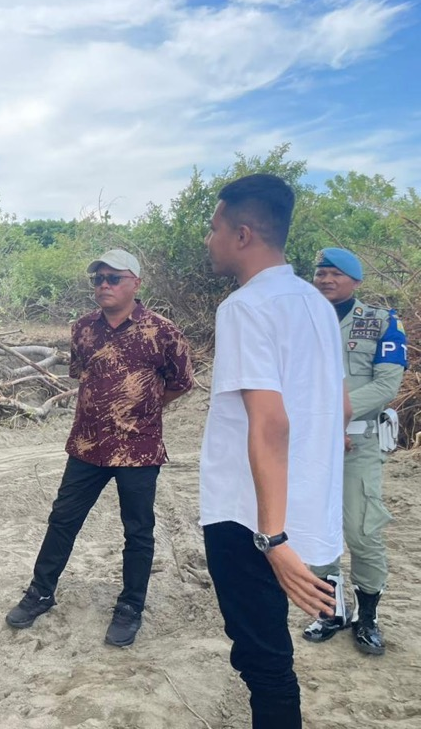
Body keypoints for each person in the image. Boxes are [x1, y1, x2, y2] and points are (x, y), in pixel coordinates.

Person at [200, 174, 348, 729]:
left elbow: (269, 423)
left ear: (242, 235)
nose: (208, 240)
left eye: (214, 228)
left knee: (264, 662)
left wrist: (273, 536)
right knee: (269, 655)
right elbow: (339, 407)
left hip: (249, 515)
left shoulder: (246, 307)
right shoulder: (314, 302)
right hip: (299, 504)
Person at [5, 249, 194, 647]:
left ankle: (130, 607)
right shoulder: (83, 329)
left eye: (113, 278)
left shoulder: (162, 331)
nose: (104, 285)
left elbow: (180, 382)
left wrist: (144, 407)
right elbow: (83, 374)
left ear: (136, 283)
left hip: (139, 449)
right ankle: (40, 592)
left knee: (138, 531)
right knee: (62, 520)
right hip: (88, 445)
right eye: (98, 279)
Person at [304, 247, 407, 655]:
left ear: (356, 281)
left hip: (358, 441)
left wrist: (333, 419)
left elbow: (386, 386)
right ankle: (330, 611)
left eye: (335, 273)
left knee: (362, 531)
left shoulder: (382, 322)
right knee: (318, 529)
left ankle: (368, 617)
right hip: (312, 442)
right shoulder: (304, 322)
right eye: (321, 273)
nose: (326, 279)